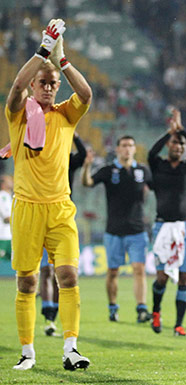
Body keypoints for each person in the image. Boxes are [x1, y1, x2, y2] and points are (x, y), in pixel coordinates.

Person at [7, 18, 92, 370]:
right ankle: (27, 353)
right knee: (26, 281)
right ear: (34, 86)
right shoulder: (19, 116)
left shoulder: (66, 115)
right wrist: (43, 49)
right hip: (26, 207)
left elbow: (86, 94)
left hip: (60, 208)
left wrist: (62, 61)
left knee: (68, 276)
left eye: (53, 83)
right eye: (43, 83)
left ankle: (70, 349)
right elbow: (15, 86)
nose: (49, 88)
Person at [82, 135, 152, 323]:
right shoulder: (108, 170)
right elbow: (87, 183)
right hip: (114, 230)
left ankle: (142, 309)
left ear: (135, 149)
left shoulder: (143, 171)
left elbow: (157, 188)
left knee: (139, 269)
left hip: (138, 230)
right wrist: (87, 165)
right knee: (113, 271)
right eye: (124, 145)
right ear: (118, 149)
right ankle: (113, 307)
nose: (127, 149)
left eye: (130, 145)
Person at [148, 108, 186, 337]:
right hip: (162, 226)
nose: (178, 146)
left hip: (184, 227)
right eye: (174, 143)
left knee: (184, 276)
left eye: (181, 144)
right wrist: (169, 133)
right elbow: (151, 152)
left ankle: (179, 324)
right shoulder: (157, 164)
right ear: (168, 146)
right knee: (161, 276)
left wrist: (181, 130)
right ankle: (156, 311)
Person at [40, 133, 88, 337]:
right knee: (45, 272)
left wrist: (76, 136)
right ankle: (48, 315)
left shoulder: (69, 160)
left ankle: (56, 314)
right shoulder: (41, 156)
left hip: (62, 218)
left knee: (62, 272)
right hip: (38, 216)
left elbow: (83, 154)